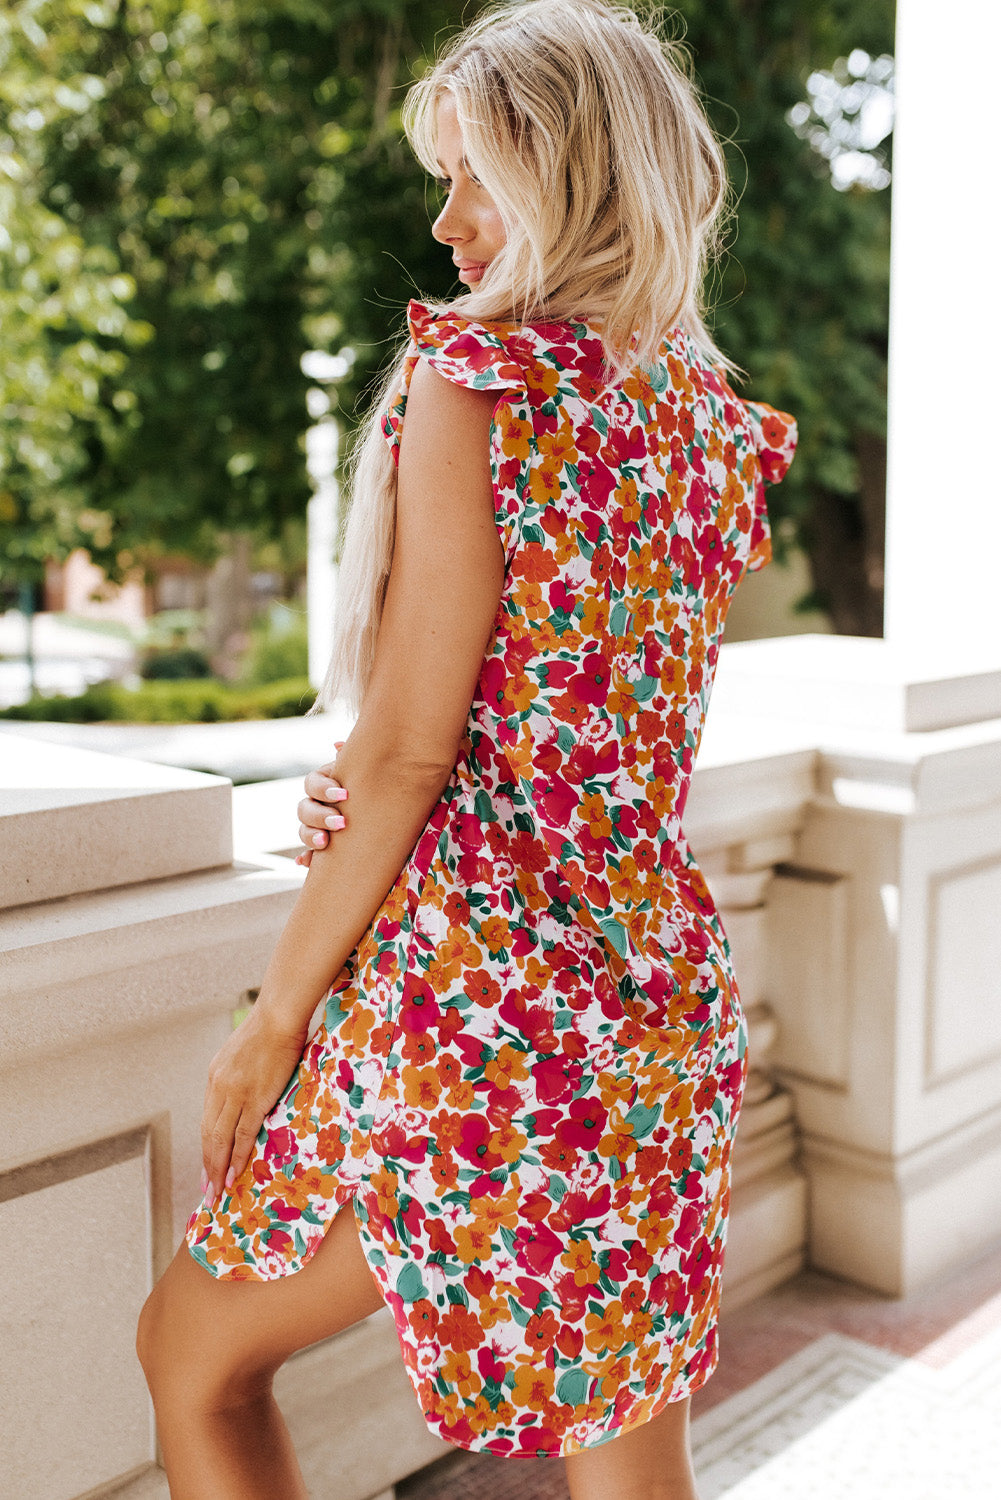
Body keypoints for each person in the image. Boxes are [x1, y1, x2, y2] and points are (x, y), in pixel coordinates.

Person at [137, 2, 796, 1497]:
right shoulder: (700, 415)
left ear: (573, 176)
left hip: (473, 1007)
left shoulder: (483, 382)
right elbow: (564, 718)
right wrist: (412, 776)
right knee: (628, 1461)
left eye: (478, 178)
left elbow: (413, 757)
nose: (445, 223)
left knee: (192, 1356)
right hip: (647, 997)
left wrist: (270, 1026)